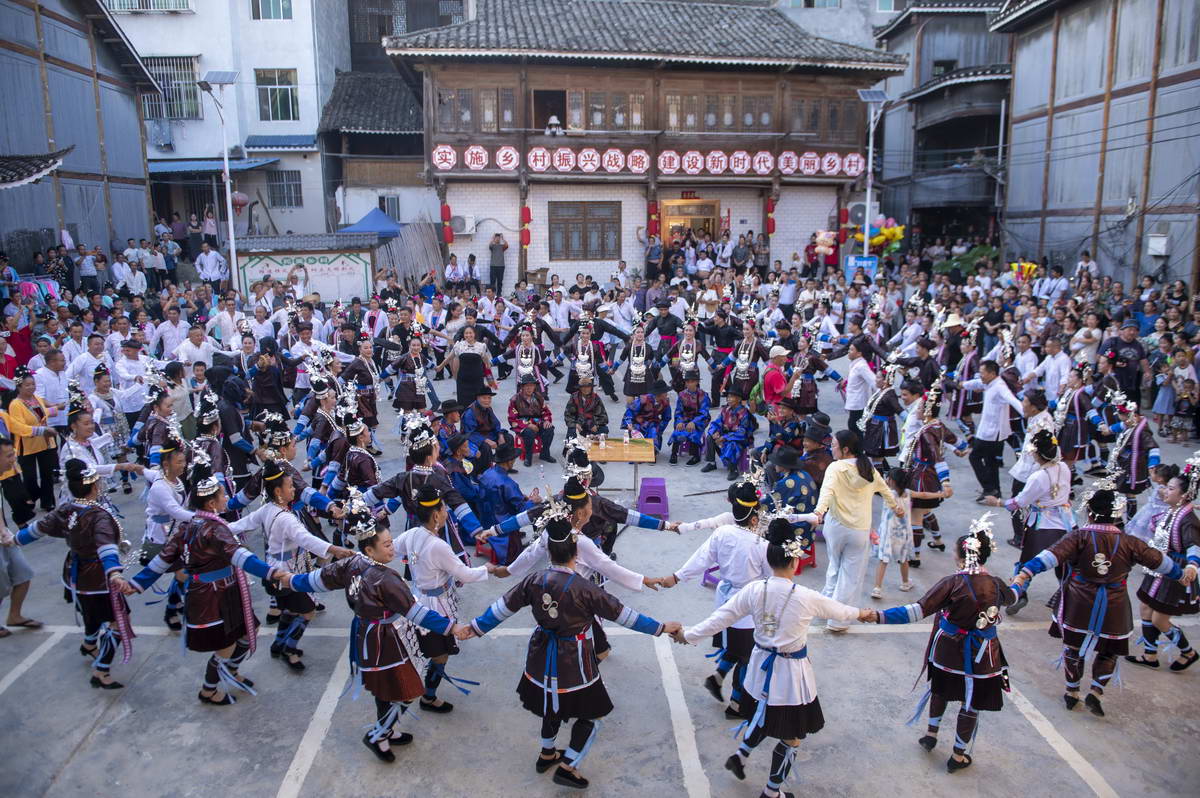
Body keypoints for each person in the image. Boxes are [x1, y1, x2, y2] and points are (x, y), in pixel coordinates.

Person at [468, 498, 680, 790]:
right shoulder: (585, 588)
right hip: (575, 658)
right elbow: (625, 615)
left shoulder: (534, 580)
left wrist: (473, 628)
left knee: (550, 703)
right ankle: (568, 766)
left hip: (540, 654)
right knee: (592, 715)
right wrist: (662, 628)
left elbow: (501, 608)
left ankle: (546, 752)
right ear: (576, 548)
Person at [677, 518, 874, 794]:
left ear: (769, 561)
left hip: (759, 670)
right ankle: (772, 791)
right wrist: (865, 613)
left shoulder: (755, 590)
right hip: (790, 676)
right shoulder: (805, 596)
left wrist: (687, 635)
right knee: (792, 738)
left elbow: (719, 618)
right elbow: (841, 611)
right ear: (794, 563)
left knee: (763, 714)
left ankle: (742, 756)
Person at [284, 494, 467, 760]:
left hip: (366, 633)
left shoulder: (351, 563)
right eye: (387, 545)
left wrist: (289, 579)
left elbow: (317, 579)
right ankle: (378, 734)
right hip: (387, 638)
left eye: (392, 542)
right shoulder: (386, 578)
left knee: (386, 688)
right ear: (370, 550)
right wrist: (452, 627)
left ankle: (387, 731)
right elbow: (417, 613)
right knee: (406, 688)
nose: (393, 549)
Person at [1014, 481, 1185, 715]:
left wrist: (1024, 574)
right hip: (1113, 605)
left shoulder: (1078, 537)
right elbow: (1160, 562)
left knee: (1073, 647)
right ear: (1116, 516)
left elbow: (1049, 557)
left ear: (1090, 512)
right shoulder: (1130, 542)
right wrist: (1182, 574)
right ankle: (1096, 691)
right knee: (1109, 650)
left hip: (1078, 603)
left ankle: (1072, 691)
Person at [128, 451, 280, 704]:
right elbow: (238, 555)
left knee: (248, 630)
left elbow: (162, 560)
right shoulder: (213, 529)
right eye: (222, 495)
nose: (226, 498)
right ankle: (208, 689)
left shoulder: (190, 526)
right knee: (226, 645)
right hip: (212, 596)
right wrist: (272, 572)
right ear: (211, 503)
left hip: (226, 590)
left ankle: (230, 672)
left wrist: (135, 583)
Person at [874, 517, 1018, 772]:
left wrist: (877, 616)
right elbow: (1014, 596)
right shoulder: (996, 584)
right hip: (982, 656)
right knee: (970, 704)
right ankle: (958, 755)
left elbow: (916, 611)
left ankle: (931, 734)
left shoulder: (951, 583)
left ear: (961, 556)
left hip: (948, 652)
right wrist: (1024, 576)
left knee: (941, 689)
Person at [14, 459, 136, 688]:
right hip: (97, 577)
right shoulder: (97, 516)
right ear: (95, 486)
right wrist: (115, 574)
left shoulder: (66, 508)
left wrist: (13, 540)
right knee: (119, 622)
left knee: (91, 612)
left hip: (75, 573)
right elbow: (106, 548)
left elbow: (37, 529)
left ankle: (90, 644)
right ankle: (101, 671)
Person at [228, 459, 354, 671]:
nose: (294, 488)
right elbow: (306, 539)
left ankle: (278, 644)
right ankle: (289, 647)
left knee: (289, 610)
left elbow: (242, 524)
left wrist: (220, 527)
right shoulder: (287, 519)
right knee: (307, 612)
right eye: (290, 486)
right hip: (285, 574)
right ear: (278, 491)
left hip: (274, 570)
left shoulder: (267, 509)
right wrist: (335, 549)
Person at [812, 429, 902, 632]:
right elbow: (885, 490)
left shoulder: (836, 468)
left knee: (834, 567)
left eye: (834, 445)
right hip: (859, 530)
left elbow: (826, 492)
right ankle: (838, 619)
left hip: (836, 527)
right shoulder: (867, 469)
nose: (831, 449)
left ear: (845, 449)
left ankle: (824, 607)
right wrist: (897, 507)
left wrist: (819, 512)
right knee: (850, 576)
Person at [1126, 466, 1200, 671]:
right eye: (1166, 487)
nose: (1164, 491)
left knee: (1160, 618)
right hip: (1161, 567)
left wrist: (1193, 566)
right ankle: (1150, 654)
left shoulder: (1187, 519)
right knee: (1145, 607)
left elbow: (1194, 545)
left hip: (1175, 572)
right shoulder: (1172, 511)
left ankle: (1188, 652)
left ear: (1184, 494)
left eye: (1170, 488)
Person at [960, 360, 1024, 502]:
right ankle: (996, 492)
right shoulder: (989, 383)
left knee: (974, 457)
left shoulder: (1000, 387)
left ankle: (989, 488)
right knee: (991, 462)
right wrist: (962, 384)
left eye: (983, 373)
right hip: (992, 432)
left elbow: (1012, 400)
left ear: (992, 373)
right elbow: (976, 383)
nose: (981, 376)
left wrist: (1027, 413)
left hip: (991, 433)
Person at [0, 437, 41, 637]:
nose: (12, 459)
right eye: (8, 456)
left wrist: (4, 531)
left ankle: (14, 616)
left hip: (3, 536)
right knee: (1, 584)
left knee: (23, 574)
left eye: (13, 454)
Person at [7, 365, 59, 512]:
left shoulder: (36, 398)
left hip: (45, 443)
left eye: (33, 384)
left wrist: (58, 409)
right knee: (30, 478)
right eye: (27, 385)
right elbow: (18, 426)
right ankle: (31, 497)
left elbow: (42, 413)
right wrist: (42, 430)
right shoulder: (15, 404)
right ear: (19, 387)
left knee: (47, 474)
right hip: (27, 445)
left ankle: (47, 501)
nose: (31, 387)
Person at [871, 467, 915, 598]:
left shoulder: (887, 494)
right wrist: (941, 494)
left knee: (883, 560)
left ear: (891, 481)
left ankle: (877, 588)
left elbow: (874, 486)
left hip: (888, 533)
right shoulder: (908, 493)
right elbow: (924, 495)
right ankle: (905, 583)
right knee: (903, 559)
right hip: (902, 533)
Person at [701, 387, 755, 480]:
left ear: (738, 399)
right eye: (728, 397)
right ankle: (712, 463)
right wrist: (715, 432)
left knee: (732, 444)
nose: (729, 399)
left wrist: (725, 437)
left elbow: (742, 432)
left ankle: (733, 469)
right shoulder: (725, 410)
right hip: (724, 435)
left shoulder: (744, 413)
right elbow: (717, 422)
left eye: (732, 397)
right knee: (710, 437)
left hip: (740, 439)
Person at [508, 374, 556, 466]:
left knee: (549, 429)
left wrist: (546, 420)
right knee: (529, 432)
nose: (529, 388)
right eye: (527, 386)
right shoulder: (515, 400)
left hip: (538, 422)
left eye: (532, 386)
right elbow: (513, 418)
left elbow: (545, 411)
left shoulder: (539, 397)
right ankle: (528, 456)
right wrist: (528, 425)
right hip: (522, 425)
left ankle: (545, 453)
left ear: (534, 386)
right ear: (522, 387)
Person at [668, 370, 710, 464]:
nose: (690, 384)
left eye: (692, 381)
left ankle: (696, 455)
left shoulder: (703, 395)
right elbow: (678, 411)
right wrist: (679, 421)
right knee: (678, 430)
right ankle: (674, 454)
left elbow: (704, 412)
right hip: (685, 418)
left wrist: (694, 422)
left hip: (700, 419)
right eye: (687, 382)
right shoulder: (682, 395)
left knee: (693, 431)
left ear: (697, 382)